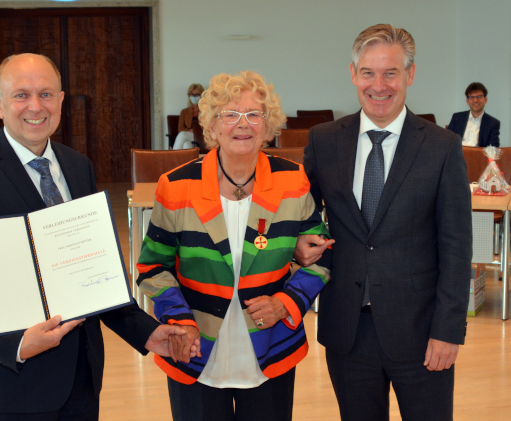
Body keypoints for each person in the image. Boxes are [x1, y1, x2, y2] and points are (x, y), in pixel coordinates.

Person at [0, 53, 191, 421]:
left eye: (46, 94)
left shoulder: (76, 165)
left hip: (80, 379)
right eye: (21, 95)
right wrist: (18, 345)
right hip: (8, 384)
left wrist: (146, 332)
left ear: (61, 100)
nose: (35, 106)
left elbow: (94, 271)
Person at [296, 24, 472, 420]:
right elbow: (300, 214)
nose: (379, 85)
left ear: (409, 75)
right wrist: (298, 243)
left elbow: (457, 247)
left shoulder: (442, 146)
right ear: (353, 74)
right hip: (348, 332)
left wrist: (448, 330)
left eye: (391, 73)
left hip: (422, 333)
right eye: (369, 73)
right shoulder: (324, 140)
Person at [137, 71, 331, 421]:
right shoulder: (176, 186)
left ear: (268, 126)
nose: (243, 124)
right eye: (230, 114)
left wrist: (286, 303)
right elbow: (153, 267)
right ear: (212, 126)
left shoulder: (293, 180)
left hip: (271, 348)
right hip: (194, 350)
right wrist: (179, 320)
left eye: (254, 114)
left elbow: (321, 254)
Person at [447, 82, 500, 147]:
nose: (475, 100)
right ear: (467, 101)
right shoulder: (457, 117)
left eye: (479, 96)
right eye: (471, 97)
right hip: (457, 155)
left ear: (485, 100)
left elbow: (493, 148)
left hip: (478, 156)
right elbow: (447, 140)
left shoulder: (493, 123)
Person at [173, 83, 204, 149]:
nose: (194, 97)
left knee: (182, 135)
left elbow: (208, 127)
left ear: (202, 95)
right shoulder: (184, 112)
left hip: (201, 137)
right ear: (189, 96)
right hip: (190, 137)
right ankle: (189, 159)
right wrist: (190, 130)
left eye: (197, 94)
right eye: (192, 94)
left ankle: (171, 157)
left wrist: (195, 131)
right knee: (186, 144)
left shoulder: (206, 111)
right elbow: (180, 129)